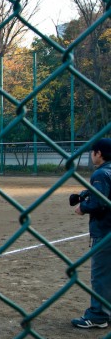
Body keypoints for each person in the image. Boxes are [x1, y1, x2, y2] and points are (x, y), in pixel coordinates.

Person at [71, 138, 111, 329]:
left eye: (93, 152)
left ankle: (97, 315)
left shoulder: (101, 173)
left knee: (100, 274)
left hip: (105, 231)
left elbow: (99, 203)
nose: (91, 155)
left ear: (99, 154)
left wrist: (83, 207)